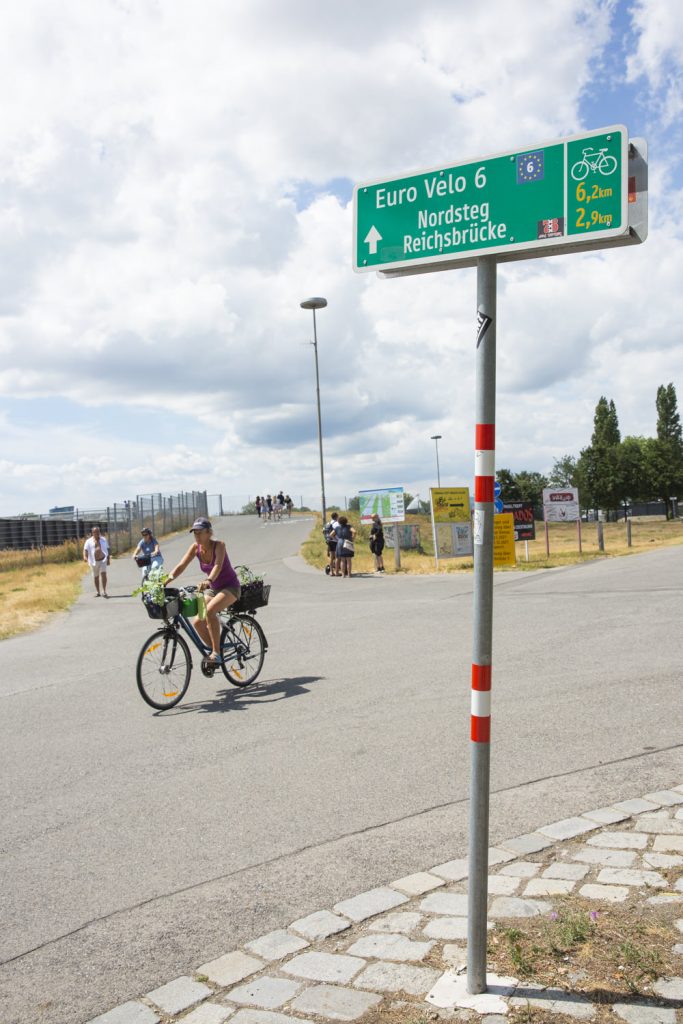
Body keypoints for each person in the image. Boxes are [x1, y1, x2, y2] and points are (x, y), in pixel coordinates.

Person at [166, 517, 241, 666]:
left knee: (210, 611)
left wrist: (208, 580)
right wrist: (165, 581)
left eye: (200, 532)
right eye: (195, 533)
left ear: (209, 533)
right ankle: (217, 648)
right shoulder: (195, 548)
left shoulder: (219, 545)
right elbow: (181, 566)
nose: (197, 536)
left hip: (230, 587)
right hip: (213, 589)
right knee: (198, 622)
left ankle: (216, 654)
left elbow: (217, 566)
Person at [83, 525, 110, 597]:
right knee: (96, 577)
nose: (97, 533)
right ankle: (98, 592)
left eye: (98, 532)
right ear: (92, 533)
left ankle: (104, 591)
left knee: (103, 574)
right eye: (95, 532)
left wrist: (108, 559)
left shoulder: (103, 539)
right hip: (94, 561)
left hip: (103, 560)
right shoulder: (88, 541)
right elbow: (85, 550)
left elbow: (107, 549)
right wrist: (85, 557)